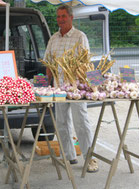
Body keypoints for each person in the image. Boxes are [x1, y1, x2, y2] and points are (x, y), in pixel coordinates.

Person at [44, 4, 98, 173]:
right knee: (61, 122)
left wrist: (92, 85)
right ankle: (68, 155)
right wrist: (46, 85)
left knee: (81, 122)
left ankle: (89, 159)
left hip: (76, 88)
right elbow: (48, 62)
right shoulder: (53, 38)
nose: (60, 20)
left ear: (71, 17)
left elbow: (86, 63)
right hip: (59, 87)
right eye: (58, 17)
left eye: (63, 16)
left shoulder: (80, 36)